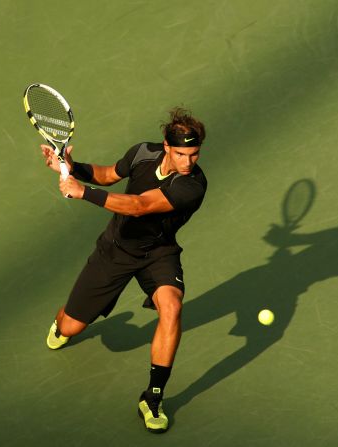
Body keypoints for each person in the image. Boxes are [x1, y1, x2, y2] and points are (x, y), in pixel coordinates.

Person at [41, 107, 207, 434]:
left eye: (195, 154)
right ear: (166, 146)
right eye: (182, 154)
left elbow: (140, 206)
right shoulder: (143, 153)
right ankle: (63, 322)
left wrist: (82, 192)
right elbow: (107, 175)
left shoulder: (193, 186)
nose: (190, 162)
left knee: (172, 308)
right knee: (70, 327)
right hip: (115, 251)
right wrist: (72, 167)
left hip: (158, 252)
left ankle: (153, 397)